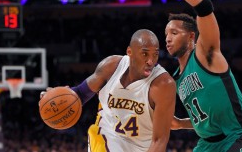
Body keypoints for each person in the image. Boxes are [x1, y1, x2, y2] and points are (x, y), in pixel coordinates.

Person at [164, 0, 242, 151]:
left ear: (191, 37)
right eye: (166, 34)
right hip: (207, 145)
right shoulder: (175, 79)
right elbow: (208, 117)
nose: (167, 38)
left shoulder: (205, 54)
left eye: (174, 33)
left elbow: (204, 7)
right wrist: (181, 124)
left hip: (239, 136)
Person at [40, 29, 176, 152]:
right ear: (130, 52)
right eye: (144, 54)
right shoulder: (111, 67)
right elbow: (80, 94)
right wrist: (55, 97)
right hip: (106, 138)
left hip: (142, 148)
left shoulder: (163, 84)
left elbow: (159, 141)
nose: (150, 61)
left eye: (155, 54)